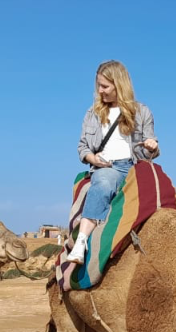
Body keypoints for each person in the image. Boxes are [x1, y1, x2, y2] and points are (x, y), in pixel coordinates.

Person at [67, 60, 159, 264]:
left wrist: (152, 145)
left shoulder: (142, 112)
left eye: (105, 86)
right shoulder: (92, 114)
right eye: (98, 85)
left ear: (119, 85)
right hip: (108, 167)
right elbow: (82, 147)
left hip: (136, 166)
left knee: (164, 191)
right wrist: (93, 159)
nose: (100, 91)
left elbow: (151, 148)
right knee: (104, 182)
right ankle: (82, 241)